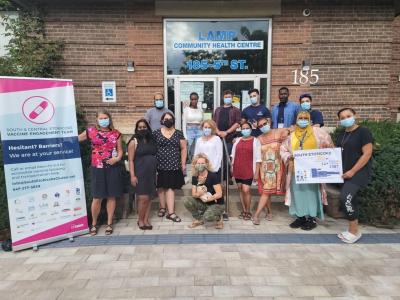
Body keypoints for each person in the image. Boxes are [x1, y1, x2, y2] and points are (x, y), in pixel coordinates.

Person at [280, 111, 333, 230]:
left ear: (309, 120)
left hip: (313, 171)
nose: (303, 120)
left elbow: (329, 147)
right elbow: (283, 149)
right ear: (296, 120)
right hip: (296, 171)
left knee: (311, 194)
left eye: (305, 118)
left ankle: (312, 218)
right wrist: (289, 156)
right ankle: (300, 217)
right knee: (298, 193)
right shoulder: (292, 135)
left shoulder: (318, 133)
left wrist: (325, 151)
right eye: (300, 118)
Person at [78, 110, 123, 236]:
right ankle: (94, 224)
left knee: (111, 196)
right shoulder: (91, 132)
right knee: (97, 197)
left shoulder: (116, 133)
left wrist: (117, 158)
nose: (104, 120)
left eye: (106, 117)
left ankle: (109, 223)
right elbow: (75, 139)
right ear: (97, 119)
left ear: (109, 118)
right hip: (97, 168)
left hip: (112, 168)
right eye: (101, 118)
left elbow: (120, 151)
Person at [336, 108, 373, 244]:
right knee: (352, 200)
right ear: (339, 120)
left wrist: (352, 171)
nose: (346, 119)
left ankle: (354, 231)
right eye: (343, 117)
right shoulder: (341, 134)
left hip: (358, 173)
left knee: (345, 198)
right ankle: (352, 229)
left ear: (354, 116)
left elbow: (367, 153)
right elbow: (336, 153)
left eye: (348, 116)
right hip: (345, 174)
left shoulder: (363, 132)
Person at [252, 117, 289, 225]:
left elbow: (293, 129)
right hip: (265, 170)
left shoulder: (279, 132)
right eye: (260, 126)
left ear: (269, 122)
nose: (263, 126)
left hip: (277, 168)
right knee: (266, 191)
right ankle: (257, 215)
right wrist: (256, 172)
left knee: (267, 192)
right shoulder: (258, 139)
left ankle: (268, 212)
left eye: (265, 124)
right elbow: (258, 157)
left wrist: (287, 131)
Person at [153, 112, 187, 222]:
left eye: (170, 119)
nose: (168, 120)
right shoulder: (156, 133)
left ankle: (171, 212)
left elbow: (183, 149)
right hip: (159, 164)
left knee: (170, 188)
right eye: (166, 119)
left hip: (173, 165)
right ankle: (162, 207)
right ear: (162, 121)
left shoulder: (178, 133)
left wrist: (183, 164)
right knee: (161, 187)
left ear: (173, 120)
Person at [127, 119, 157, 230]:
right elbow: (130, 160)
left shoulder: (151, 140)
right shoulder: (133, 141)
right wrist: (132, 175)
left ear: (148, 128)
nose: (142, 129)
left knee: (149, 197)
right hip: (140, 173)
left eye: (144, 127)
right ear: (136, 129)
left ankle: (146, 219)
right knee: (142, 198)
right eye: (140, 127)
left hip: (151, 173)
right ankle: (140, 220)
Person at [184, 154, 224, 229]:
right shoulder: (195, 177)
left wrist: (209, 199)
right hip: (204, 202)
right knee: (186, 200)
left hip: (216, 203)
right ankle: (199, 219)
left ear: (206, 164)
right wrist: (200, 193)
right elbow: (194, 194)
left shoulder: (212, 176)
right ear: (195, 164)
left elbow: (219, 194)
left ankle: (219, 218)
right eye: (198, 163)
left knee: (207, 217)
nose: (200, 165)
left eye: (202, 163)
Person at [231, 121, 262, 220]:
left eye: (247, 128)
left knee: (246, 190)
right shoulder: (237, 140)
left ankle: (248, 211)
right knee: (240, 189)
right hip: (238, 168)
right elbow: (233, 155)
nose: (245, 130)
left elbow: (258, 158)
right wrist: (232, 167)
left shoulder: (255, 141)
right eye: (243, 128)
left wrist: (256, 172)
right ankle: (244, 210)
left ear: (250, 129)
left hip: (249, 169)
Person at [182, 92, 203, 158]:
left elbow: (202, 122)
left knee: (198, 151)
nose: (194, 101)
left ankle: (198, 166)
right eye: (192, 99)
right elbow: (184, 123)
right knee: (187, 151)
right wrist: (185, 136)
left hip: (199, 131)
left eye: (195, 99)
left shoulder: (200, 110)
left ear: (198, 99)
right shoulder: (186, 110)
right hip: (189, 131)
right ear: (190, 100)